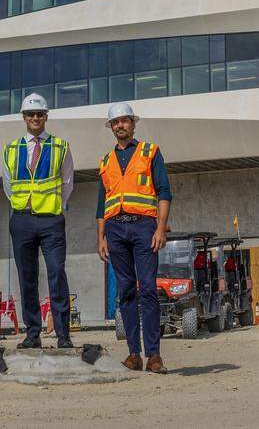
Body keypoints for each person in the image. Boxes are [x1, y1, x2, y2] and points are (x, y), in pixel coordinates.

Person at [96, 102, 172, 373]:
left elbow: (163, 191)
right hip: (115, 230)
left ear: (133, 123)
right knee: (126, 292)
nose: (120, 126)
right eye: (115, 123)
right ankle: (133, 354)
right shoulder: (105, 162)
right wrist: (101, 237)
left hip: (144, 227)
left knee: (148, 289)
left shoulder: (150, 152)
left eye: (124, 121)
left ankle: (153, 355)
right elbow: (101, 204)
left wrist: (160, 227)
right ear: (111, 127)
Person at [2, 93, 75, 349]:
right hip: (22, 220)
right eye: (31, 114)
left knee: (57, 273)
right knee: (27, 278)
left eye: (40, 114)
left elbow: (67, 183)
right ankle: (32, 334)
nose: (35, 118)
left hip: (51, 221)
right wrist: (25, 207)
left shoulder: (60, 146)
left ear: (46, 117)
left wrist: (52, 207)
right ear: (24, 118)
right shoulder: (11, 149)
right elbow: (8, 186)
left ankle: (63, 334)